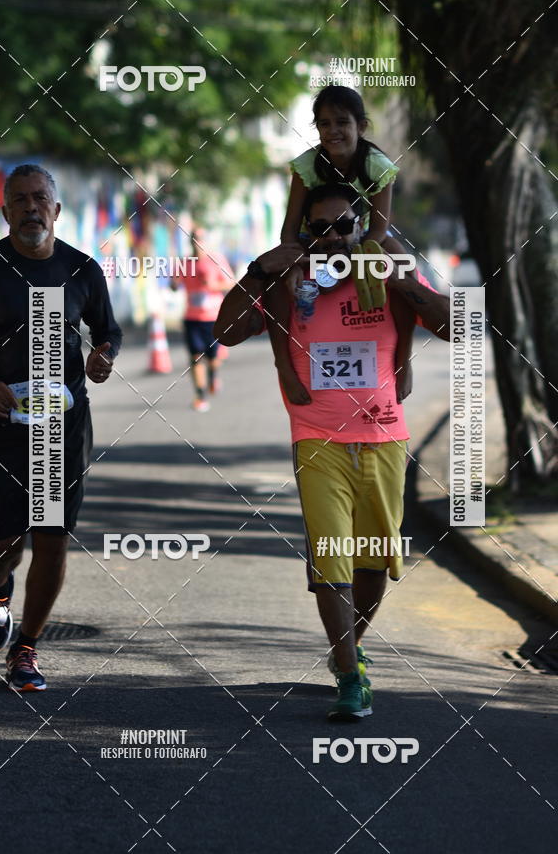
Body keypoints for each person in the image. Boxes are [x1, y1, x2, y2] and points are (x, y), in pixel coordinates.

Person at [214, 182, 450, 721]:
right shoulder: (286, 283)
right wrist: (258, 269)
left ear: (360, 226)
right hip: (317, 436)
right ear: (305, 233)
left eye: (344, 226)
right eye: (320, 229)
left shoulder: (382, 277)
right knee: (331, 553)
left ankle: (347, 645)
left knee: (372, 562)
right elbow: (224, 332)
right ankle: (349, 674)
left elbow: (454, 325)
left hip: (384, 436)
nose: (334, 238)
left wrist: (401, 276)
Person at [0, 164, 122, 692]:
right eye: (20, 200)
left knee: (52, 538)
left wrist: (104, 356)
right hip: (5, 423)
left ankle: (25, 649)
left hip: (62, 425)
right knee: (5, 539)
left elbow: (108, 330)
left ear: (56, 208)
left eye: (40, 199)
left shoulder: (81, 270)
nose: (31, 208)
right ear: (5, 212)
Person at [264, 85, 415, 407]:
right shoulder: (306, 167)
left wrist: (354, 262)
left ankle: (404, 357)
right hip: (315, 238)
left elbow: (378, 229)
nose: (333, 131)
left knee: (402, 261)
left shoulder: (377, 165)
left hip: (359, 239)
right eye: (324, 123)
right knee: (276, 271)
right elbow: (289, 231)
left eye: (342, 122)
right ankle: (283, 364)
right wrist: (292, 264)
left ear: (361, 126)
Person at [173, 228, 234, 412]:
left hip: (213, 318)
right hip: (192, 318)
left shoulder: (217, 260)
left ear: (205, 241)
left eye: (200, 238)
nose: (196, 242)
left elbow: (231, 282)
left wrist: (213, 285)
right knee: (195, 356)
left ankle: (214, 375)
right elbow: (175, 284)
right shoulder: (185, 263)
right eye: (193, 239)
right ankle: (200, 395)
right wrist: (173, 283)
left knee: (213, 358)